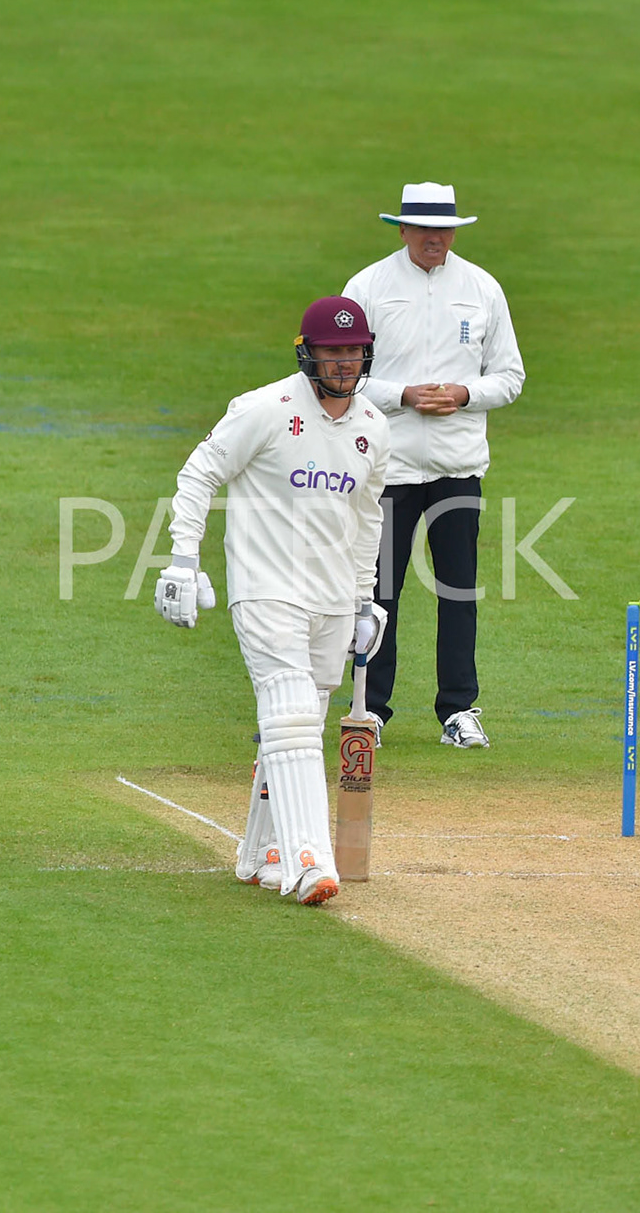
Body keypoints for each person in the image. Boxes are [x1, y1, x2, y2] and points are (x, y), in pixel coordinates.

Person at [154, 296, 392, 905]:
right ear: (307, 352)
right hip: (266, 591)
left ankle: (260, 853)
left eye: (353, 350)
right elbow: (198, 474)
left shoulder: (372, 426)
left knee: (300, 723)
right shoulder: (263, 409)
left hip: (334, 598)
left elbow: (368, 521)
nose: (344, 362)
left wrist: (366, 600)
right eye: (332, 351)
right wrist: (183, 559)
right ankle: (310, 861)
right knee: (289, 719)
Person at [342, 182, 525, 749]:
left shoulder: (482, 288)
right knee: (378, 593)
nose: (435, 239)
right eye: (423, 230)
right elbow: (343, 374)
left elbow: (510, 377)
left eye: (443, 230)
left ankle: (458, 710)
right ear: (402, 230)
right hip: (385, 468)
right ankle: (369, 709)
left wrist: (465, 395)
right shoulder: (368, 286)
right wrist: (405, 395)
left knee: (458, 590)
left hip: (457, 465)